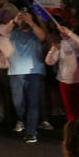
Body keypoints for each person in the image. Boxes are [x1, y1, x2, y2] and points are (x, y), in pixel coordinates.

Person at [7, 11, 47, 143]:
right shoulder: (13, 33)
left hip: (34, 71)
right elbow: (2, 33)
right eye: (22, 18)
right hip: (15, 72)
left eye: (26, 17)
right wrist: (14, 21)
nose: (24, 20)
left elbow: (43, 36)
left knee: (33, 103)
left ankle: (31, 132)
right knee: (18, 103)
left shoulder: (35, 33)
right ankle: (24, 121)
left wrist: (31, 22)